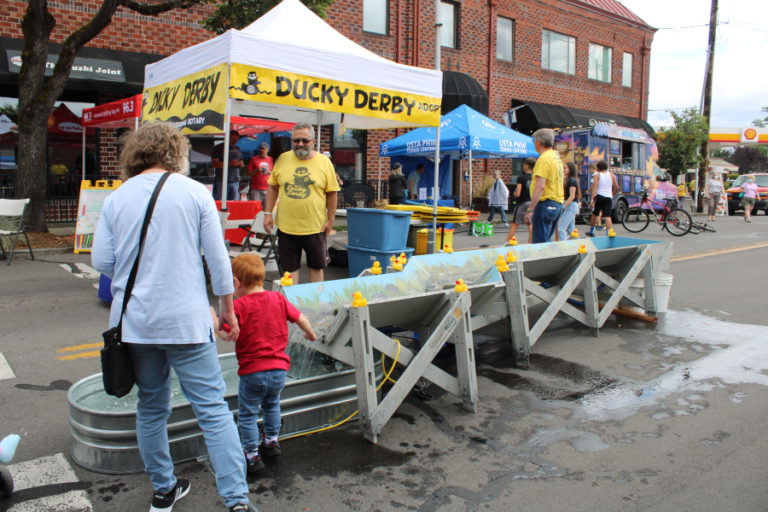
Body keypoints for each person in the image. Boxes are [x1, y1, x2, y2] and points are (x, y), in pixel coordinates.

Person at [91, 121, 257, 512]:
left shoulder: (117, 198)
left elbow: (102, 261)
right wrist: (227, 309)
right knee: (214, 411)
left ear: (136, 154)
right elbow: (218, 260)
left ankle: (164, 489)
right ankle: (236, 500)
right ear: (176, 153)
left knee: (151, 406)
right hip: (187, 320)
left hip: (136, 323)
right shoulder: (194, 192)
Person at [213, 253, 316, 475]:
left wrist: (214, 321)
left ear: (237, 283)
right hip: (279, 370)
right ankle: (271, 442)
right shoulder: (277, 299)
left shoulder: (238, 307)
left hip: (252, 373)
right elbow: (300, 318)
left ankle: (251, 456)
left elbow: (225, 335)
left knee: (248, 414)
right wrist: (310, 334)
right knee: (272, 405)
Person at [263, 122, 340, 284]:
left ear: (313, 141)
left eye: (305, 140)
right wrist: (268, 213)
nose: (300, 144)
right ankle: (292, 306)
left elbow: (332, 193)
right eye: (296, 140)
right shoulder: (283, 160)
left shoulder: (324, 163)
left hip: (315, 227)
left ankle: (315, 304)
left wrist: (330, 220)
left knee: (317, 267)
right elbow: (273, 188)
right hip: (286, 227)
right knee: (289, 271)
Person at [524, 129, 564, 243]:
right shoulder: (556, 158)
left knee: (540, 244)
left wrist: (530, 209)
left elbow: (540, 186)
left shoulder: (544, 158)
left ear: (539, 142)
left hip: (545, 204)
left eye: (534, 141)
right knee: (546, 242)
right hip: (557, 203)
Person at [586, 160, 618, 237]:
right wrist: (612, 193)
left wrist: (592, 199)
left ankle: (592, 231)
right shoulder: (612, 175)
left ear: (598, 168)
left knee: (595, 214)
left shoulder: (597, 175)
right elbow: (617, 187)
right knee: (607, 216)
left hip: (600, 196)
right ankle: (608, 233)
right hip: (608, 197)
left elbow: (595, 187)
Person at [506, 158, 535, 244]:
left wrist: (514, 193)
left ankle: (508, 242)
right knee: (531, 224)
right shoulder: (535, 177)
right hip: (532, 203)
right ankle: (530, 243)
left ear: (526, 166)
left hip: (523, 203)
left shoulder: (521, 178)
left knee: (515, 224)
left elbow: (518, 193)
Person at [212, 130, 245, 201]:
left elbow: (242, 165)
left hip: (235, 181)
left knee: (234, 203)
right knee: (220, 201)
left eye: (236, 140)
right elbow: (215, 164)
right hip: (221, 181)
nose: (235, 141)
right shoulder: (218, 148)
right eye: (233, 139)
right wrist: (230, 163)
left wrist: (238, 163)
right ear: (228, 137)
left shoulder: (237, 149)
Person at [556, 162, 582, 241]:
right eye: (563, 167)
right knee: (571, 230)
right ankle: (576, 247)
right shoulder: (566, 180)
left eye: (565, 168)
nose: (563, 169)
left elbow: (572, 196)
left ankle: (564, 248)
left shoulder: (572, 180)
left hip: (570, 206)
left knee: (561, 228)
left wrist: (563, 206)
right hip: (569, 205)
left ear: (570, 169)